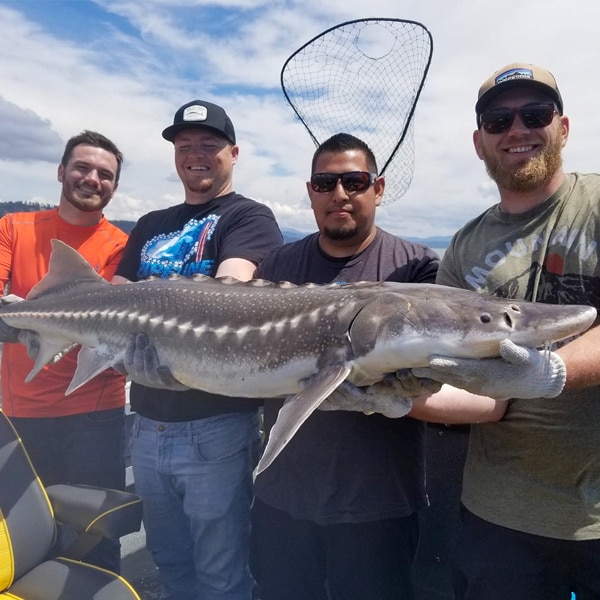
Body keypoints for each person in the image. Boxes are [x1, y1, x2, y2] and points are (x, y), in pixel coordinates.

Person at [415, 62, 600, 599]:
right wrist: (397, 400)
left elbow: (536, 376)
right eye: (499, 120)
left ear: (562, 127)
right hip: (499, 516)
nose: (517, 130)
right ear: (480, 143)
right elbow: (482, 399)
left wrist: (555, 372)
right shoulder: (463, 248)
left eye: (534, 114)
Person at [247, 132, 442, 600]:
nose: (340, 195)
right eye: (325, 182)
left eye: (354, 182)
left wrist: (379, 392)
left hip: (380, 501)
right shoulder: (278, 263)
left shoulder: (416, 268)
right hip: (283, 494)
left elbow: (436, 369)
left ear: (378, 188)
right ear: (311, 191)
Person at [112, 99, 283, 600]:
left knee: (219, 572)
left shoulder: (248, 217)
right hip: (144, 422)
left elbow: (221, 302)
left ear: (233, 153)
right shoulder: (149, 223)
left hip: (215, 428)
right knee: (169, 563)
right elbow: (116, 295)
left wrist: (142, 321)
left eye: (209, 145)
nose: (195, 155)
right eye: (185, 146)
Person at [0, 130, 129, 572]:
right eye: (82, 167)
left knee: (98, 537)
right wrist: (19, 326)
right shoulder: (12, 228)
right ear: (60, 172)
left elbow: (112, 321)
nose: (93, 179)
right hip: (20, 414)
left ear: (114, 186)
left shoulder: (121, 246)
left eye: (105, 174)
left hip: (97, 414)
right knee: (22, 541)